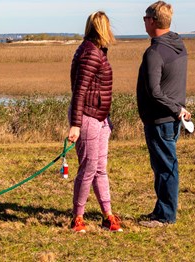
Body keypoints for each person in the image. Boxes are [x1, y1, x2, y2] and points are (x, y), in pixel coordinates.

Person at [136, 1, 191, 227]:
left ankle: (165, 215)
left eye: (145, 18)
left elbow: (154, 91)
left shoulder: (155, 52)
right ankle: (162, 209)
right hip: (172, 119)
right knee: (163, 166)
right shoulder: (178, 44)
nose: (144, 22)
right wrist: (178, 109)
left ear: (153, 21)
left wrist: (177, 109)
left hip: (161, 120)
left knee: (166, 167)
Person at [67, 11, 122, 233]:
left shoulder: (96, 51)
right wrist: (76, 124)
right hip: (88, 117)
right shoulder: (90, 53)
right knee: (88, 168)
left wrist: (105, 119)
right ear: (102, 28)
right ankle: (77, 218)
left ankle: (107, 215)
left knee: (100, 168)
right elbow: (79, 91)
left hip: (99, 117)